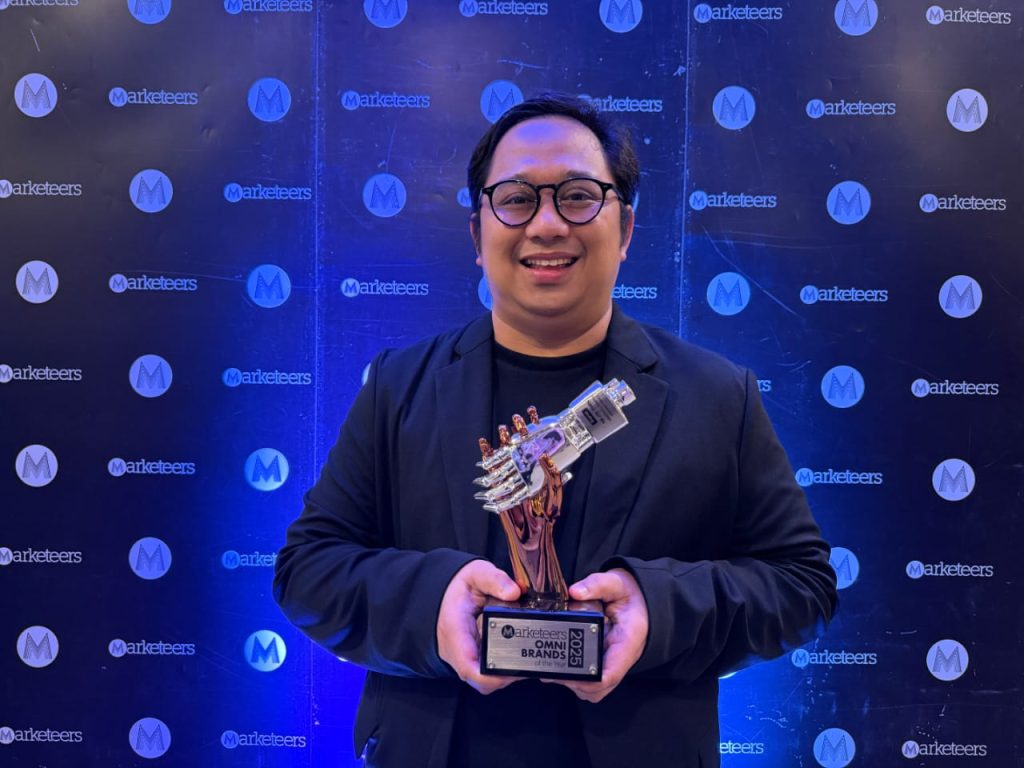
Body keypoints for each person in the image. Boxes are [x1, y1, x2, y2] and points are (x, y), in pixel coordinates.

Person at [273, 93, 838, 768]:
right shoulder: (400, 386)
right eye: (516, 198)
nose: (546, 224)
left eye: (577, 197)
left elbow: (802, 583)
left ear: (625, 230)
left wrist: (657, 611)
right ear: (477, 233)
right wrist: (433, 605)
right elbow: (308, 569)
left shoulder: (717, 395)